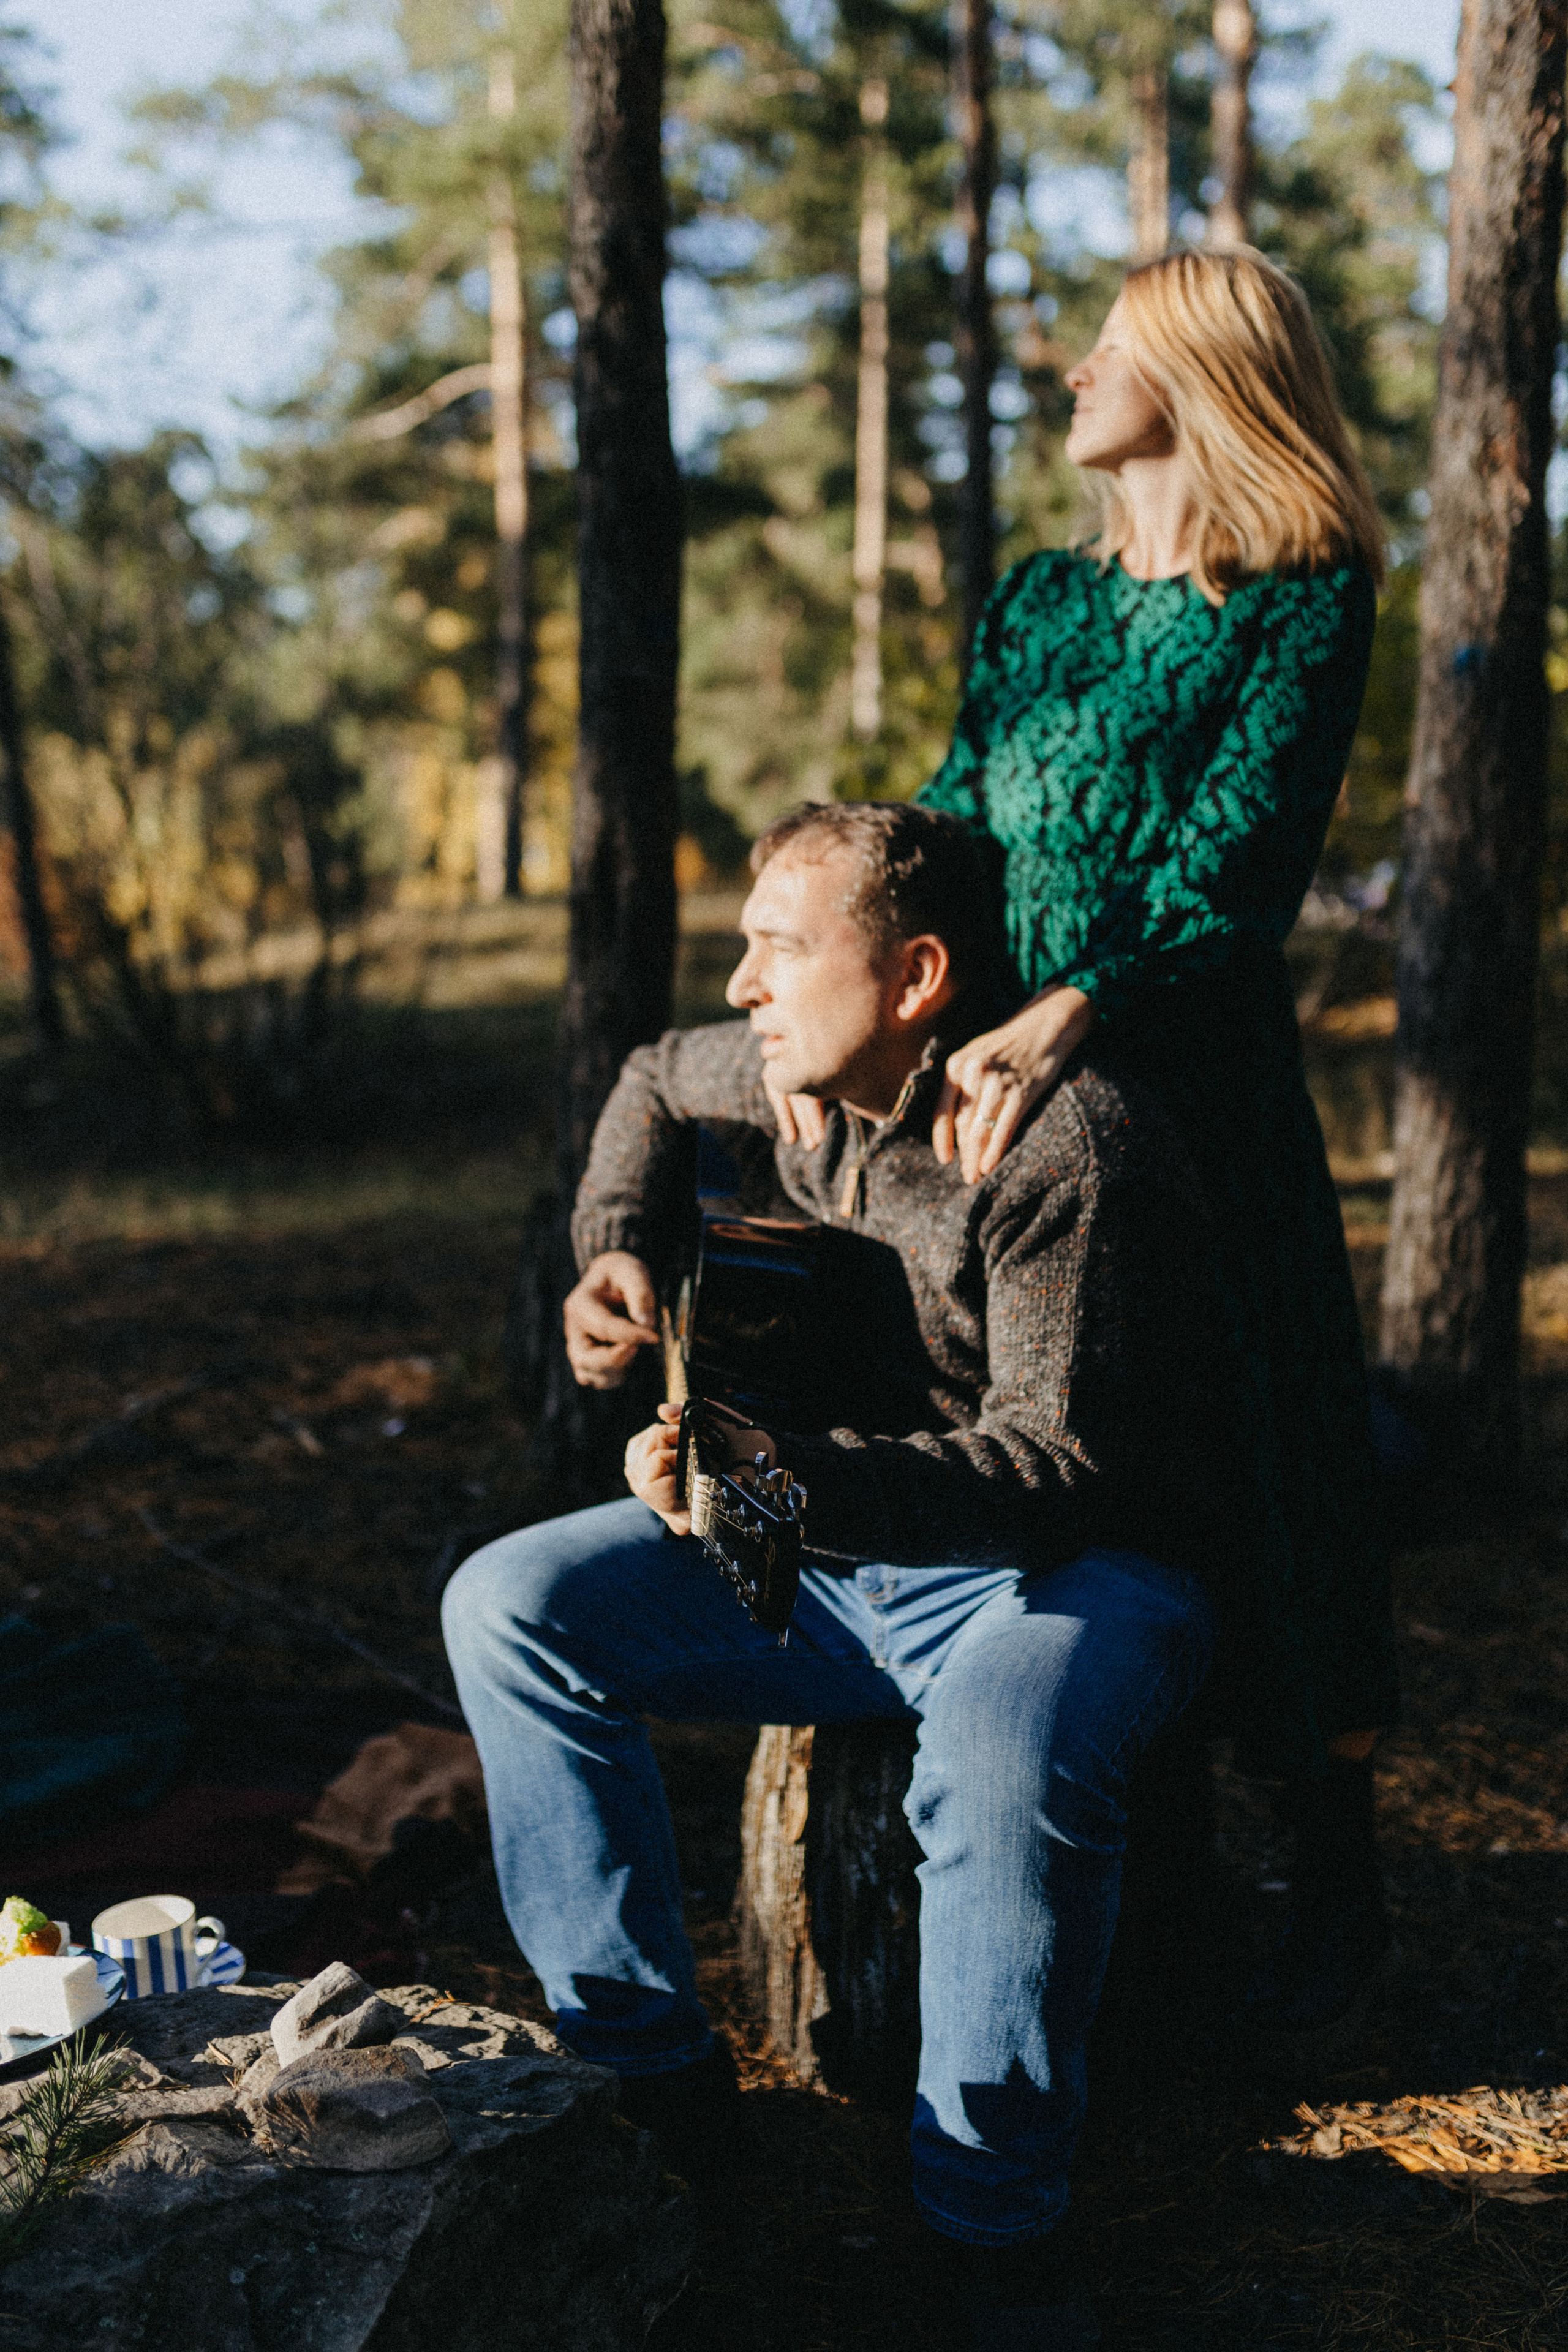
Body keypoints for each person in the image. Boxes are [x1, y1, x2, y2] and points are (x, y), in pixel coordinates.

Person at [444, 801, 1237, 2348]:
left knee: (1000, 1753)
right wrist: (613, 1246)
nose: (741, 986)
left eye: (778, 950)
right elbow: (645, 1077)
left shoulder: (1064, 1143)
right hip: (843, 1542)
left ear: (916, 977)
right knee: (509, 1608)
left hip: (1071, 1571)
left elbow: (1056, 1468)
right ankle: (656, 2093)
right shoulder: (795, 1064)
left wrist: (781, 1480)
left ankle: (990, 2229)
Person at [772, 248, 1398, 2060]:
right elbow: (953, 827)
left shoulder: (1298, 602)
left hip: (1197, 1106)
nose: (1071, 373)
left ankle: (1335, 1889)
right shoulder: (1039, 600)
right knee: (1055, 1453)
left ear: (1197, 376)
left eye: (1108, 347)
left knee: (1260, 1475)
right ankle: (1110, 1893)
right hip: (1001, 1098)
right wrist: (850, 991)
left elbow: (1236, 871)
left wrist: (1077, 1007)